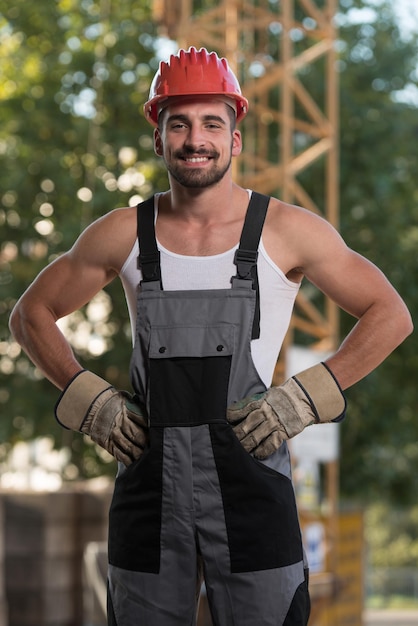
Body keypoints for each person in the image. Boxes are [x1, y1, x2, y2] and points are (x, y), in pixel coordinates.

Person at [9, 46, 412, 626]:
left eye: (211, 123)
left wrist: (304, 398)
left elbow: (389, 313)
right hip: (151, 486)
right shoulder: (124, 233)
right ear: (159, 137)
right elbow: (31, 313)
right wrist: (89, 401)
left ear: (235, 138)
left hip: (252, 477)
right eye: (180, 123)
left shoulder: (289, 231)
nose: (195, 138)